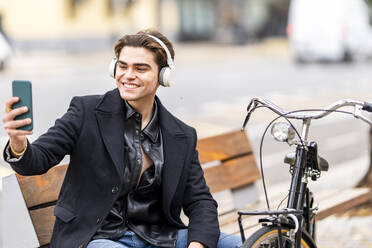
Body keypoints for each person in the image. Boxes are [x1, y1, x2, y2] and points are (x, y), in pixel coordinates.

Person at [2, 30, 242, 248]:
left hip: (159, 237)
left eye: (140, 68)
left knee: (241, 244)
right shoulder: (86, 111)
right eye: (122, 66)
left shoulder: (181, 135)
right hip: (96, 238)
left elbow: (200, 201)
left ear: (164, 75)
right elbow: (37, 160)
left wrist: (197, 245)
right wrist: (18, 143)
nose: (128, 75)